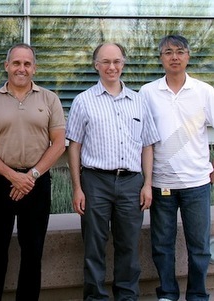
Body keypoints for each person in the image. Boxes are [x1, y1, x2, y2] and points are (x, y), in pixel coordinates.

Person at [66, 43, 160, 300]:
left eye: (117, 61)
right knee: (93, 247)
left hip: (131, 183)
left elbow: (148, 145)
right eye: (105, 61)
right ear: (96, 65)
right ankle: (95, 297)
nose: (112, 67)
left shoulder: (138, 101)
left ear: (123, 63)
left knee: (128, 246)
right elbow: (74, 147)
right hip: (95, 181)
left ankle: (127, 297)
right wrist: (77, 187)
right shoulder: (83, 101)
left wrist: (147, 183)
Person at [0, 43, 66, 301]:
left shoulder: (50, 99)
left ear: (34, 68)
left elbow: (59, 143)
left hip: (37, 182)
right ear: (7, 66)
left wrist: (32, 175)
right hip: (0, 181)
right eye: (16, 63)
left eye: (27, 64)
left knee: (33, 250)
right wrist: (12, 176)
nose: (21, 68)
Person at [138, 35, 213, 301]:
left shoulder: (204, 92)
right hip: (161, 183)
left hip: (197, 183)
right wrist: (147, 181)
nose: (174, 57)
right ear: (161, 58)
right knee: (162, 245)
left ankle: (197, 295)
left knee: (200, 247)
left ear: (188, 56)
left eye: (180, 52)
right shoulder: (148, 93)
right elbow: (145, 139)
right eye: (168, 52)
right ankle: (167, 293)